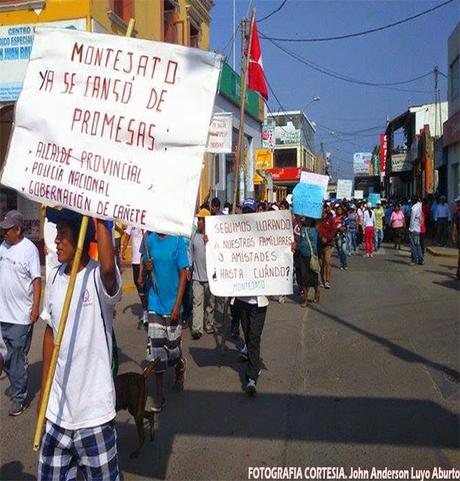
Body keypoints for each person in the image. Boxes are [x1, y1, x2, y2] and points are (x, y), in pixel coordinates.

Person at [39, 209, 121, 481]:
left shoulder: (98, 276)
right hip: (57, 415)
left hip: (94, 416)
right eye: (57, 234)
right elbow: (50, 335)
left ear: (81, 238)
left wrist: (101, 216)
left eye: (63, 234)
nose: (56, 242)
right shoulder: (53, 277)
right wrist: (44, 399)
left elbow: (109, 269)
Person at [140, 231, 188, 412]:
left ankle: (179, 365)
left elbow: (183, 273)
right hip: (155, 303)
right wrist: (147, 267)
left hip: (173, 304)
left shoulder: (177, 241)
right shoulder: (149, 240)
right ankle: (159, 395)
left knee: (173, 348)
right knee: (157, 349)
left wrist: (177, 304)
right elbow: (145, 270)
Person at [0, 210, 41, 416]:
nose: (4, 232)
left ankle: (19, 398)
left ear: (18, 229)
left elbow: (36, 281)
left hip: (20, 316)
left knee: (16, 357)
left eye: (8, 229)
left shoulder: (30, 250)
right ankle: (18, 381)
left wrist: (35, 308)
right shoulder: (2, 247)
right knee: (7, 358)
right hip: (2, 314)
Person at [233, 199, 269, 397]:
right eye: (245, 211)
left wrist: (288, 248)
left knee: (254, 338)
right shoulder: (237, 236)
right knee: (248, 335)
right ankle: (254, 366)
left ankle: (251, 378)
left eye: (250, 211)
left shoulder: (264, 236)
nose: (247, 214)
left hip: (259, 301)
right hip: (242, 299)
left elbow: (278, 251)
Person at [189, 208, 214, 339]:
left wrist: (209, 243)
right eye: (198, 219)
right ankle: (197, 328)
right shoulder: (194, 236)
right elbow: (190, 253)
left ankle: (209, 324)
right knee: (197, 302)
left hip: (210, 278)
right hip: (197, 277)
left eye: (201, 220)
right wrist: (189, 268)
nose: (198, 222)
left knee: (210, 303)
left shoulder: (212, 237)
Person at [122, 225, 148, 327]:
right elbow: (127, 236)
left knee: (145, 286)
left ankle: (148, 312)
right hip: (135, 261)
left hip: (144, 260)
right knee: (138, 285)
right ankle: (145, 309)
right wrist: (123, 251)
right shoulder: (131, 223)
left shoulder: (145, 222)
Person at [298, 217, 320, 307]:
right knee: (304, 278)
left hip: (311, 256)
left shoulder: (314, 229)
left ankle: (316, 291)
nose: (306, 220)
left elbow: (315, 243)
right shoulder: (302, 228)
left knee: (313, 276)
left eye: (308, 219)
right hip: (303, 256)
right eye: (306, 219)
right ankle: (305, 299)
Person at [317, 204, 336, 289]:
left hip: (328, 244)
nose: (323, 213)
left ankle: (327, 281)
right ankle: (322, 279)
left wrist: (327, 238)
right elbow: (317, 230)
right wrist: (321, 237)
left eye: (325, 211)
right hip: (320, 244)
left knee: (327, 261)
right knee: (321, 264)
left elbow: (333, 232)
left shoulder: (331, 220)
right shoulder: (319, 221)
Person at [409, 195, 424, 265]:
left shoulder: (414, 208)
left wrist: (410, 229)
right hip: (418, 228)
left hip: (414, 229)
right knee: (418, 244)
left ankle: (415, 259)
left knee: (413, 245)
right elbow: (421, 218)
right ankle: (421, 259)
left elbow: (412, 220)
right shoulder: (420, 206)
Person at [333, 205, 348, 270]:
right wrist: (337, 228)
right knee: (340, 250)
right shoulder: (334, 218)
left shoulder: (344, 218)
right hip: (337, 236)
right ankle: (342, 263)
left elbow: (347, 226)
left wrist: (343, 228)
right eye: (338, 209)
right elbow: (333, 228)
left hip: (344, 236)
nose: (339, 211)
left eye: (340, 209)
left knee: (344, 250)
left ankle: (345, 263)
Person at [452, 196, 460, 280]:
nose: (457, 204)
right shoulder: (457, 213)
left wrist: (453, 234)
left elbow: (454, 225)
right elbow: (454, 225)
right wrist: (454, 234)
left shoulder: (457, 213)